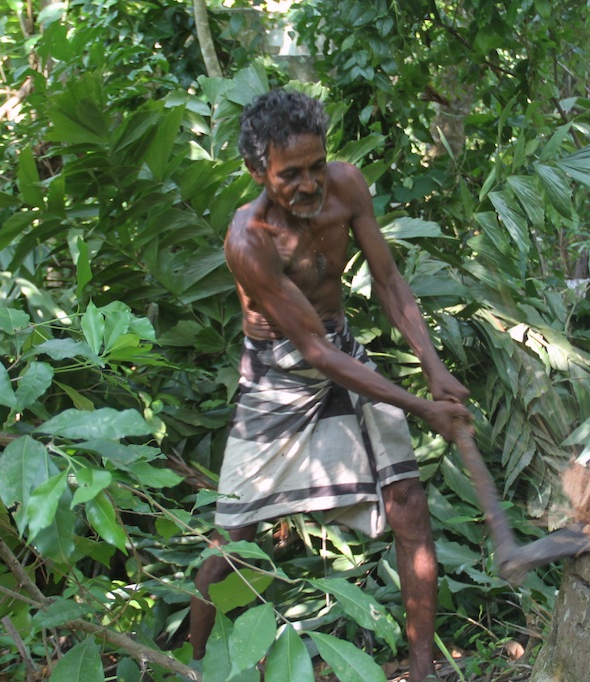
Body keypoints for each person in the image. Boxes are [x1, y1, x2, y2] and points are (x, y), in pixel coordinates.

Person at [189, 89, 473, 681]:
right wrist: (422, 407)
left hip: (340, 348)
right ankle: (190, 666)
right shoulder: (250, 239)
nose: (309, 184)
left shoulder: (346, 188)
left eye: (316, 166)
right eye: (290, 174)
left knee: (409, 508)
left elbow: (389, 280)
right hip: (280, 372)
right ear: (257, 171)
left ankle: (423, 674)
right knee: (234, 537)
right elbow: (310, 351)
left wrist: (433, 366)